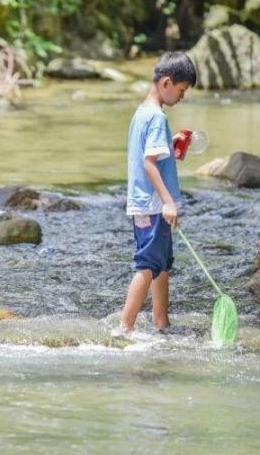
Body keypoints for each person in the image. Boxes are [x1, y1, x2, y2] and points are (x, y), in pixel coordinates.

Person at [113, 51, 197, 338]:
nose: (182, 97)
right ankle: (124, 329)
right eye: (181, 90)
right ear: (166, 83)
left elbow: (148, 153)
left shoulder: (142, 113)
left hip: (142, 203)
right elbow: (149, 164)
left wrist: (170, 147)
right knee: (148, 265)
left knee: (161, 265)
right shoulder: (157, 118)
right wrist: (169, 202)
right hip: (154, 205)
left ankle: (161, 322)